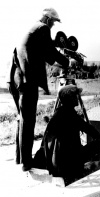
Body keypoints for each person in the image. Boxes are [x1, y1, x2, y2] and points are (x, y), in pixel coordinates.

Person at [6, 8, 70, 171]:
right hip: (27, 80)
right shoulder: (42, 28)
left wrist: (56, 50)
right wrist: (66, 61)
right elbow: (51, 53)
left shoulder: (33, 29)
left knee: (23, 119)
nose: (53, 26)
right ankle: (28, 163)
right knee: (29, 121)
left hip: (16, 78)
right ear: (48, 20)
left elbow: (46, 54)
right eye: (54, 22)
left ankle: (21, 159)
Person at [33, 85, 100, 179]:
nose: (77, 98)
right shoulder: (71, 115)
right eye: (75, 96)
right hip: (69, 163)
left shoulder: (57, 114)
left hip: (55, 163)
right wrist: (99, 137)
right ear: (70, 98)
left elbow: (46, 139)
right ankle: (81, 164)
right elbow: (89, 129)